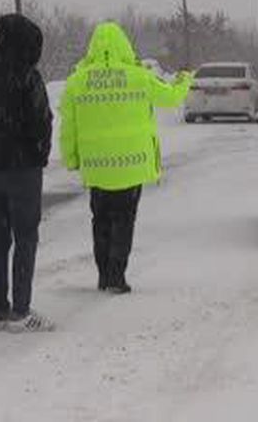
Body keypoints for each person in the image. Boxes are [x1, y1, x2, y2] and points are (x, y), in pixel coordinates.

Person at [59, 22, 193, 294]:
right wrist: (184, 80)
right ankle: (117, 276)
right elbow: (170, 98)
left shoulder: (78, 82)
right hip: (130, 167)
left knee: (100, 221)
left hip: (97, 169)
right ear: (124, 45)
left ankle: (103, 275)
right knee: (124, 220)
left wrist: (71, 158)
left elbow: (68, 127)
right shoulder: (138, 76)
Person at [0, 14, 54, 332]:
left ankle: (0, 309)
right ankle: (22, 309)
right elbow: (40, 121)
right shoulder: (27, 77)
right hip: (22, 169)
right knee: (26, 238)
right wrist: (39, 153)